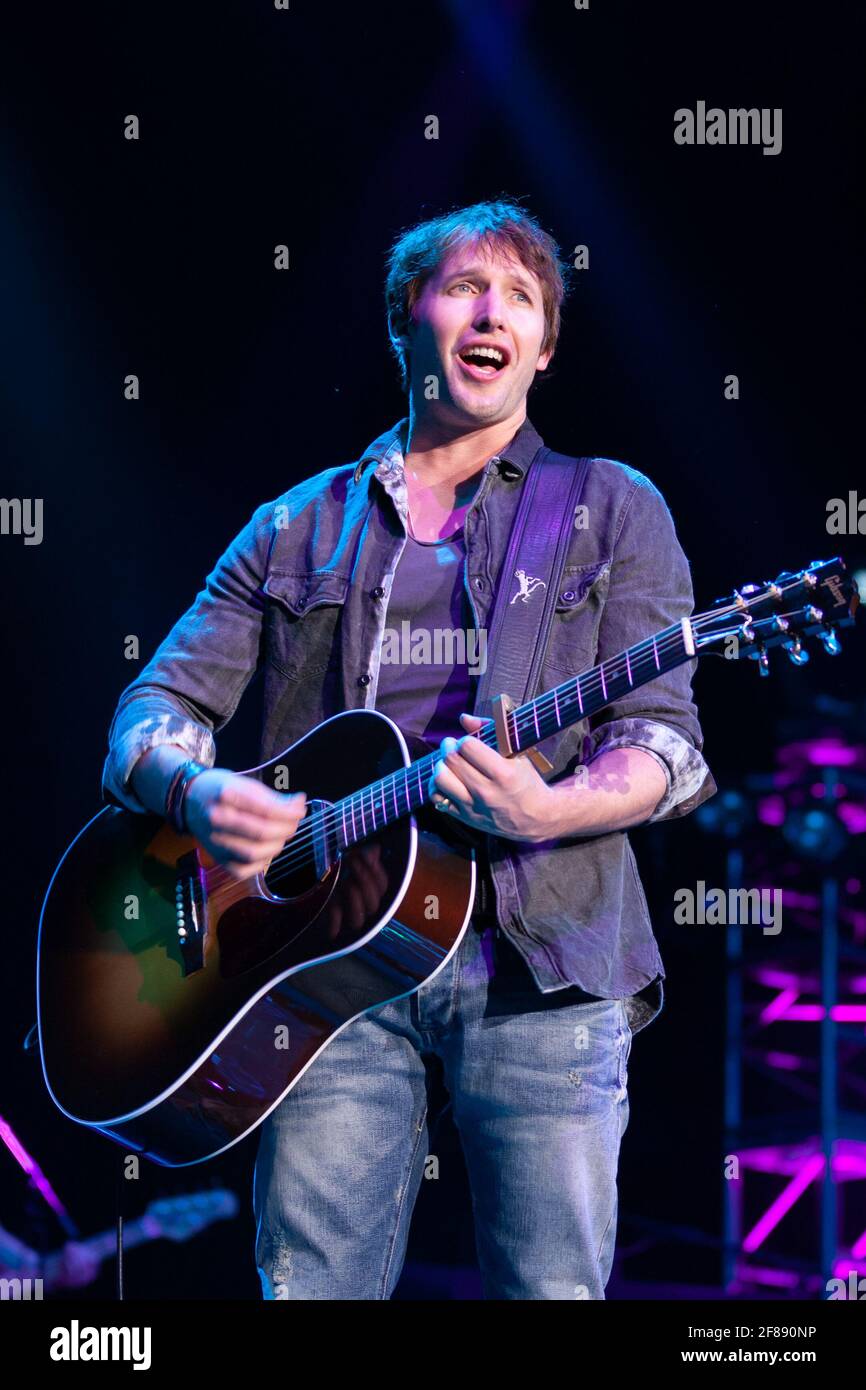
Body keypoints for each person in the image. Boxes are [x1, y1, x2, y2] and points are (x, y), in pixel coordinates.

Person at [102, 197, 716, 1299]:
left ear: (541, 348)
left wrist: (546, 808)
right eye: (465, 287)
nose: (494, 311)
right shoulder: (292, 523)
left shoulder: (611, 507)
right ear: (407, 320)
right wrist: (190, 790)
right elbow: (154, 707)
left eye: (521, 297)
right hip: (327, 969)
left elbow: (666, 745)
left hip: (544, 959)